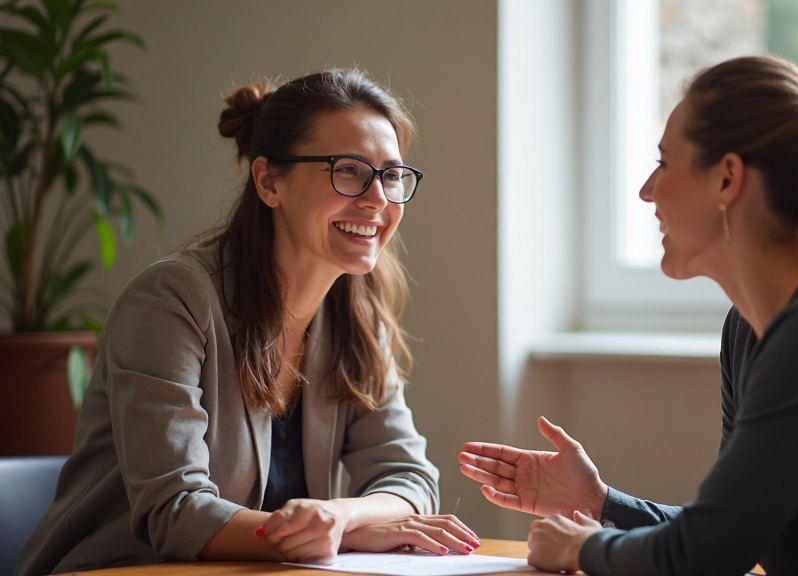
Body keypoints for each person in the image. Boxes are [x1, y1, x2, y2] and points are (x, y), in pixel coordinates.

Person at [459, 55, 798, 575]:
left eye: (664, 163)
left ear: (726, 179)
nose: (647, 190)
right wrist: (599, 504)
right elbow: (726, 532)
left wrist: (583, 550)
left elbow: (705, 556)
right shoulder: (750, 328)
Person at [17, 69, 480, 576]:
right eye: (348, 170)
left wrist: (340, 516)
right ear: (268, 182)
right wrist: (344, 529)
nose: (377, 199)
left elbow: (409, 476)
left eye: (391, 175)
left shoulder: (357, 313)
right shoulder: (170, 301)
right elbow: (176, 513)